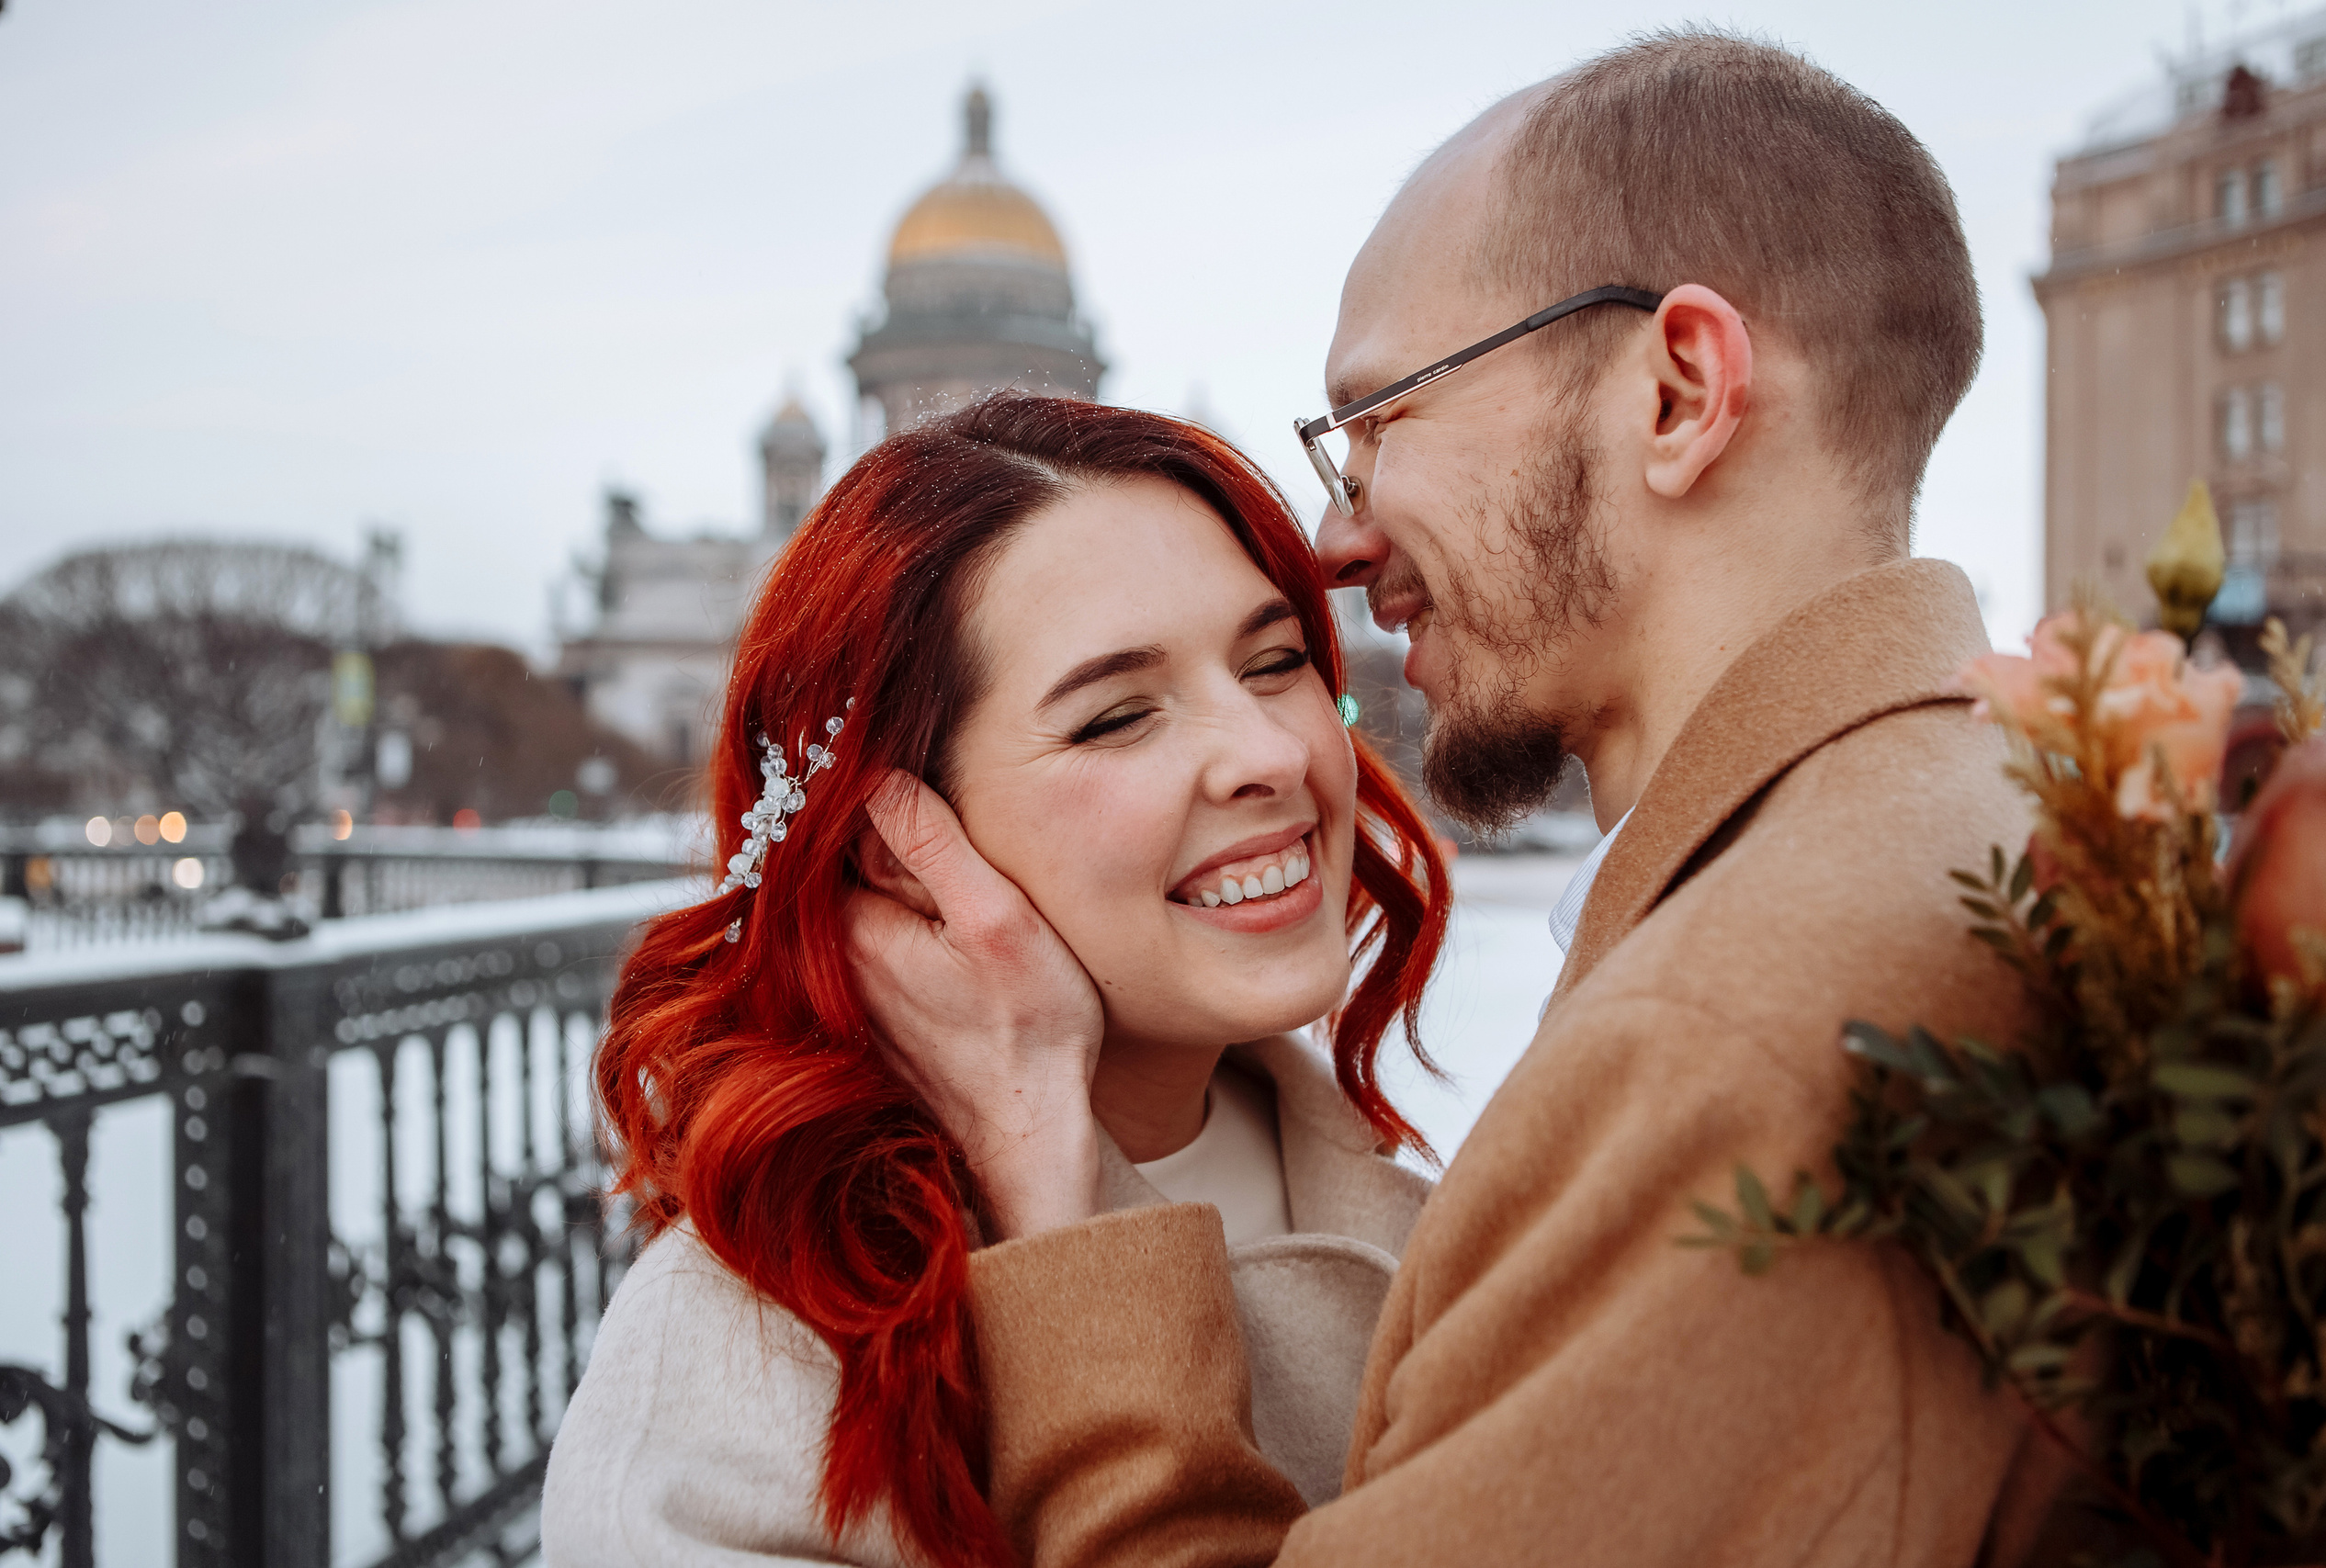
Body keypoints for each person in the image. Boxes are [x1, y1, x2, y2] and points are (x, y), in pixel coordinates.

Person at [847, 29, 2085, 1568]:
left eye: (1378, 426)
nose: (1334, 544)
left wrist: (1067, 1233)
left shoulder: (1732, 1026)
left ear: (1681, 393)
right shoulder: (1999, 817)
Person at [539, 395, 1453, 1568]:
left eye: (1274, 663)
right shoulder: (747, 1360)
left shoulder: (1448, 1221)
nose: (1275, 754)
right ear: (897, 847)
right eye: (1117, 716)